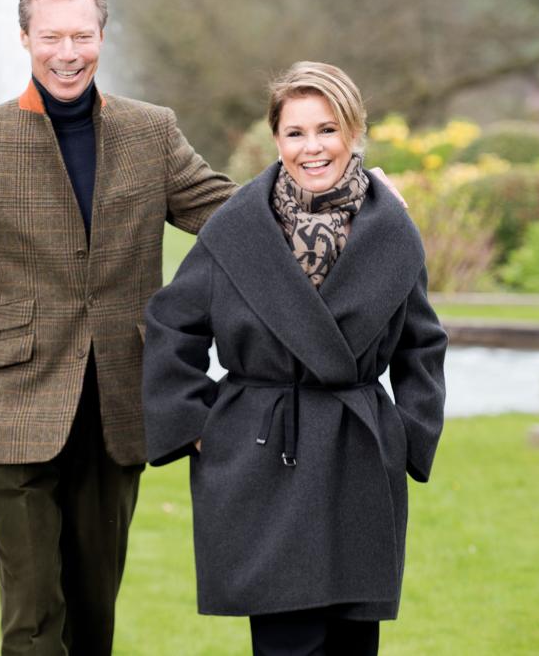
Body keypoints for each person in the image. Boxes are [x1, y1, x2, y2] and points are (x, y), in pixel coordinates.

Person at [0, 0, 237, 654]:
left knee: (94, 617)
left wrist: (341, 198)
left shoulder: (151, 133)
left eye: (82, 37)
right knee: (33, 620)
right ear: (25, 39)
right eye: (52, 37)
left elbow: (227, 214)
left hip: (118, 403)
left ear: (101, 38)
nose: (68, 53)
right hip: (11, 406)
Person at [142, 61, 447, 655]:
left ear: (354, 132)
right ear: (276, 140)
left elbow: (422, 343)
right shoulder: (237, 230)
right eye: (296, 133)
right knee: (289, 643)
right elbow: (170, 325)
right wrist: (202, 427)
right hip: (266, 459)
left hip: (359, 453)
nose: (313, 148)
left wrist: (405, 434)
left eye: (328, 129)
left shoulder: (392, 231)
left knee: (353, 644)